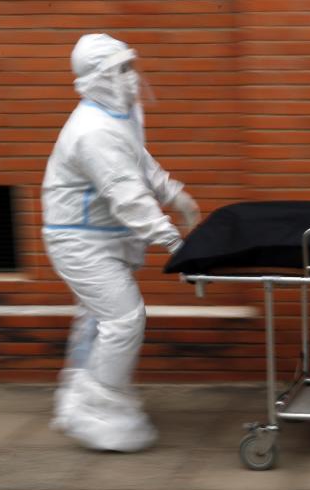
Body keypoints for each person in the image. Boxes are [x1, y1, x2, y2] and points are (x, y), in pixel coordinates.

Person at [41, 33, 201, 451]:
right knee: (123, 319)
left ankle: (79, 398)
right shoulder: (93, 130)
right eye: (121, 70)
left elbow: (138, 160)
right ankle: (99, 411)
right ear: (99, 77)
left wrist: (172, 192)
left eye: (131, 66)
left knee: (95, 318)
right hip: (79, 240)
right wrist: (173, 242)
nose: (132, 78)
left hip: (103, 236)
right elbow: (126, 195)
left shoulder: (117, 115)